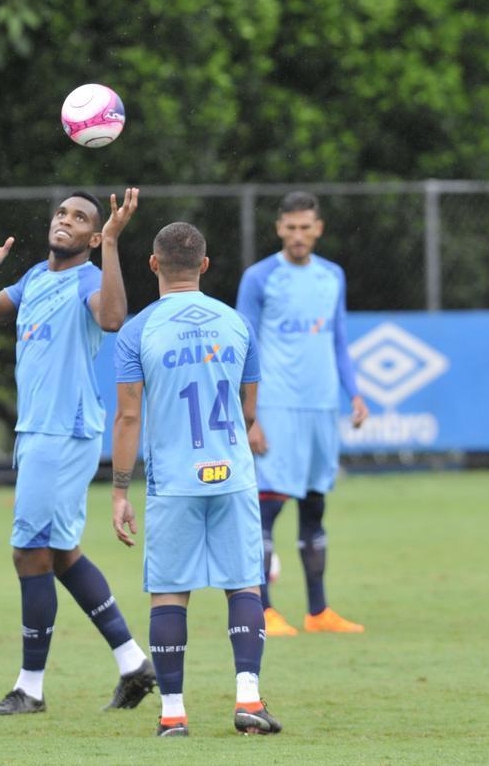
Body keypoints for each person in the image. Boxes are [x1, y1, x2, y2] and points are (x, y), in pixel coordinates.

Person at [0, 188, 156, 716]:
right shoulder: (32, 280)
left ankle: (30, 688)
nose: (64, 221)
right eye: (61, 212)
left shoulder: (90, 279)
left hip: (62, 433)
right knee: (62, 554)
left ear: (94, 235)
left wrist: (112, 245)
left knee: (29, 552)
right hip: (37, 433)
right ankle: (134, 662)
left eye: (80, 218)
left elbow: (114, 320)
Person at [111, 221, 281, 737]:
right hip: (231, 473)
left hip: (173, 480)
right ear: (205, 266)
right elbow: (250, 409)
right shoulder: (235, 324)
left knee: (169, 591)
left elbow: (128, 417)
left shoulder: (137, 330)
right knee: (243, 583)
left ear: (153, 264)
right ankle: (248, 700)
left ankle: (173, 713)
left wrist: (120, 489)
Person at [235, 191, 369, 636]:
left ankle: (318, 612)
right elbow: (243, 347)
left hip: (319, 407)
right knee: (267, 510)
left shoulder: (333, 276)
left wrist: (354, 393)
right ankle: (263, 611)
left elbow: (339, 341)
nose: (297, 235)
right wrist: (251, 418)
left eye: (305, 227)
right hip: (275, 407)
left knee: (314, 506)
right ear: (278, 229)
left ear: (318, 228)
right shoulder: (259, 278)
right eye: (289, 228)